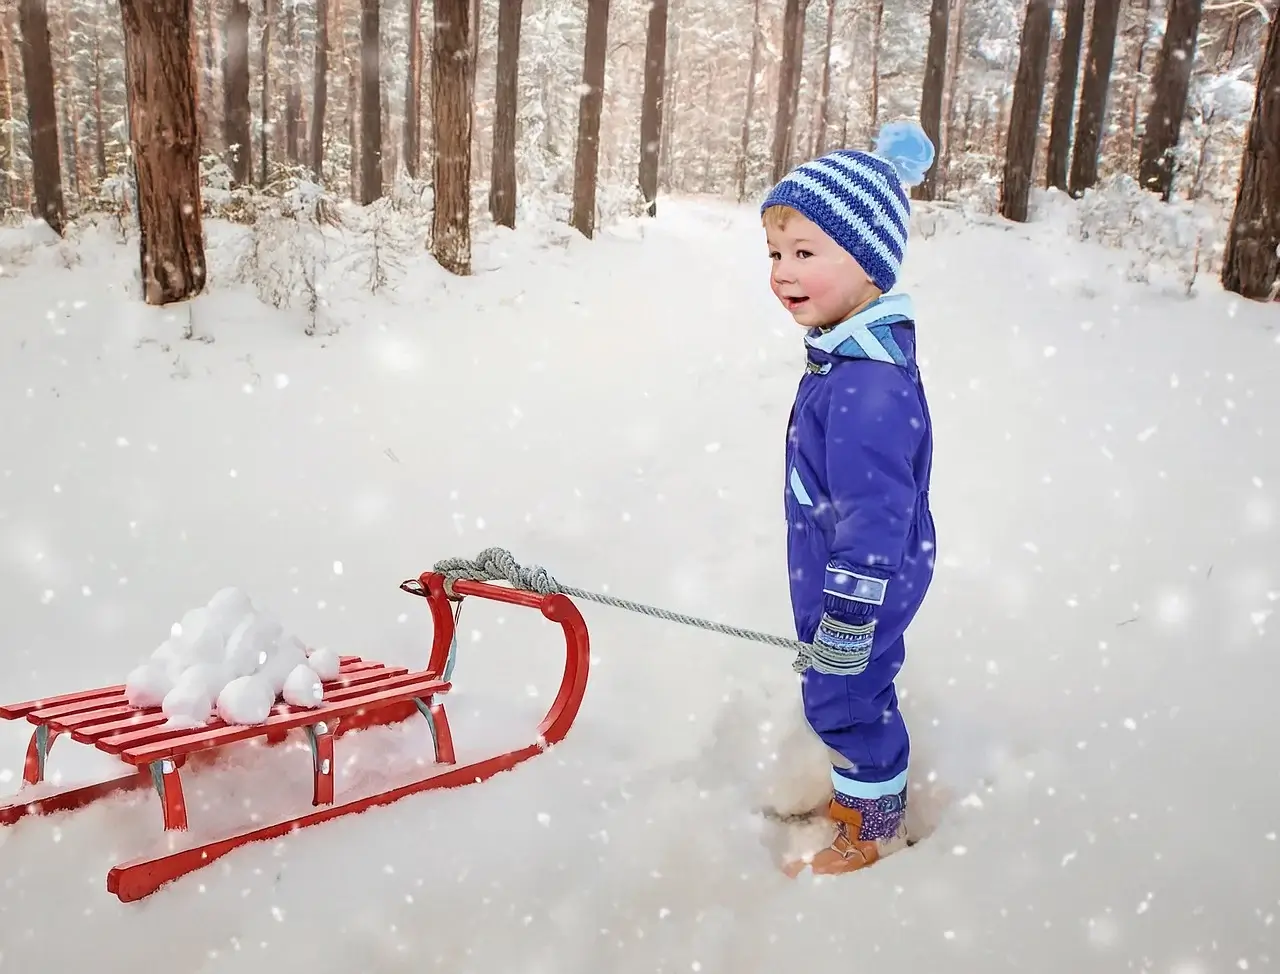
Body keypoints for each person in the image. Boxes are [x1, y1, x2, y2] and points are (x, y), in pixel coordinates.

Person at [760, 120, 938, 877]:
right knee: (844, 685)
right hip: (844, 570)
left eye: (805, 253)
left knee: (847, 696)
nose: (781, 272)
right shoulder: (847, 358)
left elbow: (876, 513)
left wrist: (851, 611)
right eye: (775, 253)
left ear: (868, 264)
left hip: (861, 578)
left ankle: (871, 828)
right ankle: (863, 789)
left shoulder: (866, 385)